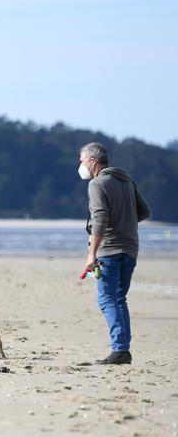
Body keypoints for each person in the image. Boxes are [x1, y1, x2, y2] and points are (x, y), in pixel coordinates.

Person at [79, 142, 151, 365]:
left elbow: (100, 219)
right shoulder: (126, 181)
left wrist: (92, 253)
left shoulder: (97, 184)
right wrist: (123, 224)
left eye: (81, 161)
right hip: (130, 248)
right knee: (119, 299)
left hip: (110, 250)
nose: (80, 165)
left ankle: (120, 350)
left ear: (92, 161)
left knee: (107, 299)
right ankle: (123, 350)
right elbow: (145, 211)